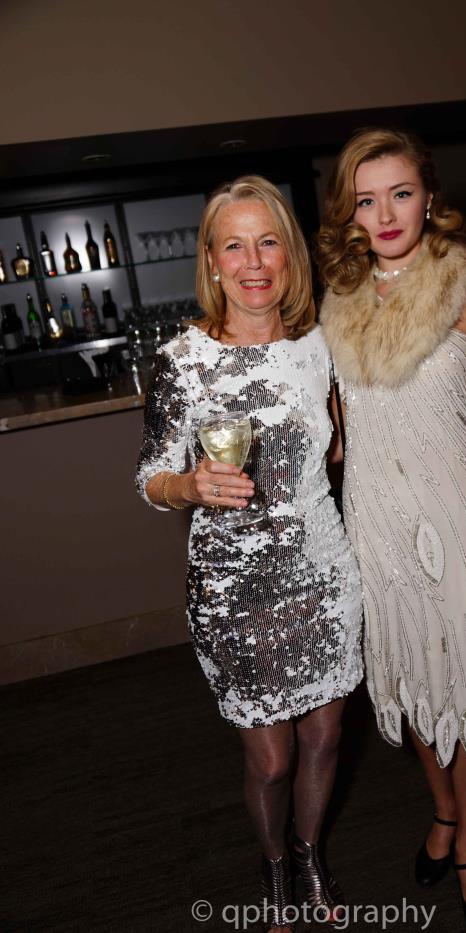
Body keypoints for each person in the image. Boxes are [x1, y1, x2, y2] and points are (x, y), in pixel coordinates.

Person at [317, 129, 466, 933]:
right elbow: (337, 436)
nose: (384, 215)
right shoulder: (334, 305)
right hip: (376, 526)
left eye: (400, 194)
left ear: (429, 197)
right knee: (411, 683)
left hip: (464, 522)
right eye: (366, 200)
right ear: (349, 213)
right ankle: (441, 807)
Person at [136, 176, 362, 933]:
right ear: (210, 260)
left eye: (268, 242)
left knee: (325, 738)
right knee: (271, 759)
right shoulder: (182, 360)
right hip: (233, 588)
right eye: (234, 246)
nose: (253, 262)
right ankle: (273, 868)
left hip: (322, 571)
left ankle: (309, 853)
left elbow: (341, 444)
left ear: (290, 253)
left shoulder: (320, 345)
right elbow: (149, 477)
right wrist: (188, 484)